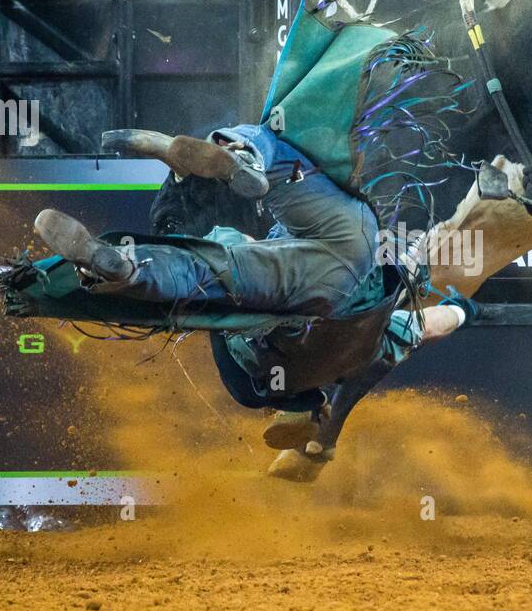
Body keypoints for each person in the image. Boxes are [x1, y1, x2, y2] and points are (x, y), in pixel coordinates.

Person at [32, 125, 478, 482]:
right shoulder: (289, 368)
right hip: (313, 257)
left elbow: (429, 324)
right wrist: (466, 308)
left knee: (216, 266)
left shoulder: (372, 347)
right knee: (211, 269)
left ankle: (237, 160)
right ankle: (138, 257)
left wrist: (460, 309)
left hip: (329, 254)